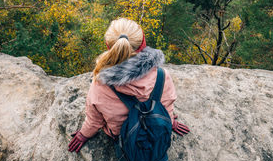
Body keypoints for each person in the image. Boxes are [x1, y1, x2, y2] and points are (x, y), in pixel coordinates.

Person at [68, 18, 190, 153]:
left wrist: (83, 134)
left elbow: (95, 120)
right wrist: (170, 121)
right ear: (143, 43)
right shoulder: (162, 75)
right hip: (155, 132)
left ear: (110, 47)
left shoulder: (100, 85)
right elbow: (166, 105)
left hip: (124, 137)